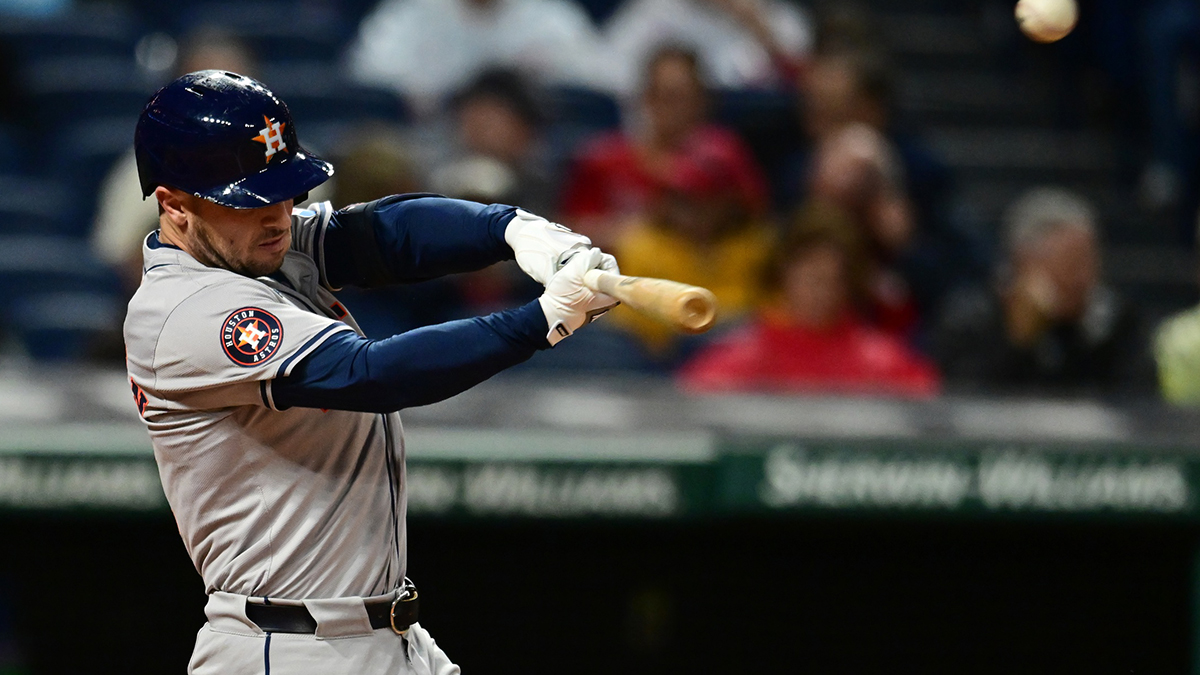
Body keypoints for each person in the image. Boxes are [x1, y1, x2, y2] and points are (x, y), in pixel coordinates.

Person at [123, 70, 619, 674]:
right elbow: (370, 374)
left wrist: (515, 229)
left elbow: (382, 234)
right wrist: (542, 320)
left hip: (384, 634)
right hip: (288, 647)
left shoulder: (250, 245)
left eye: (285, 192)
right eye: (251, 201)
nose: (279, 216)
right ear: (174, 204)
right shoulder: (184, 311)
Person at [679, 208, 939, 396]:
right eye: (812, 279)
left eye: (833, 280)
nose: (821, 293)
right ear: (784, 276)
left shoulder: (883, 362)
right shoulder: (739, 359)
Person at [933, 187, 1152, 395]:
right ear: (1023, 262)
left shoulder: (1115, 319)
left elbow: (1137, 398)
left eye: (1091, 263)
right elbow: (960, 398)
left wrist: (1083, 337)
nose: (1084, 278)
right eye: (1071, 265)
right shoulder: (972, 316)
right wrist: (1018, 339)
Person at [559, 45, 767, 250]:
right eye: (661, 95)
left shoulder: (724, 155)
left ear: (702, 101)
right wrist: (639, 232)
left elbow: (755, 224)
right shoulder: (604, 157)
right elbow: (571, 233)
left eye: (680, 97)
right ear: (646, 98)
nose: (670, 108)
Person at [346, 0, 610, 116]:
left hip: (529, 158)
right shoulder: (409, 13)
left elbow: (594, 85)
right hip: (432, 149)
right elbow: (366, 74)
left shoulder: (553, 19)